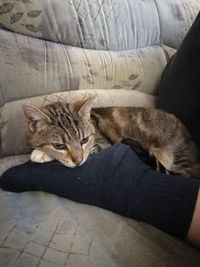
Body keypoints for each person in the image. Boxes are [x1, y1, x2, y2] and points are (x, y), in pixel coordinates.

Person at [1, 11, 200, 250]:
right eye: (60, 146)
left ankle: (122, 174)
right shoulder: (43, 128)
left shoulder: (86, 120)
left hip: (164, 135)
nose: (78, 157)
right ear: (34, 125)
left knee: (186, 169)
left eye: (84, 142)